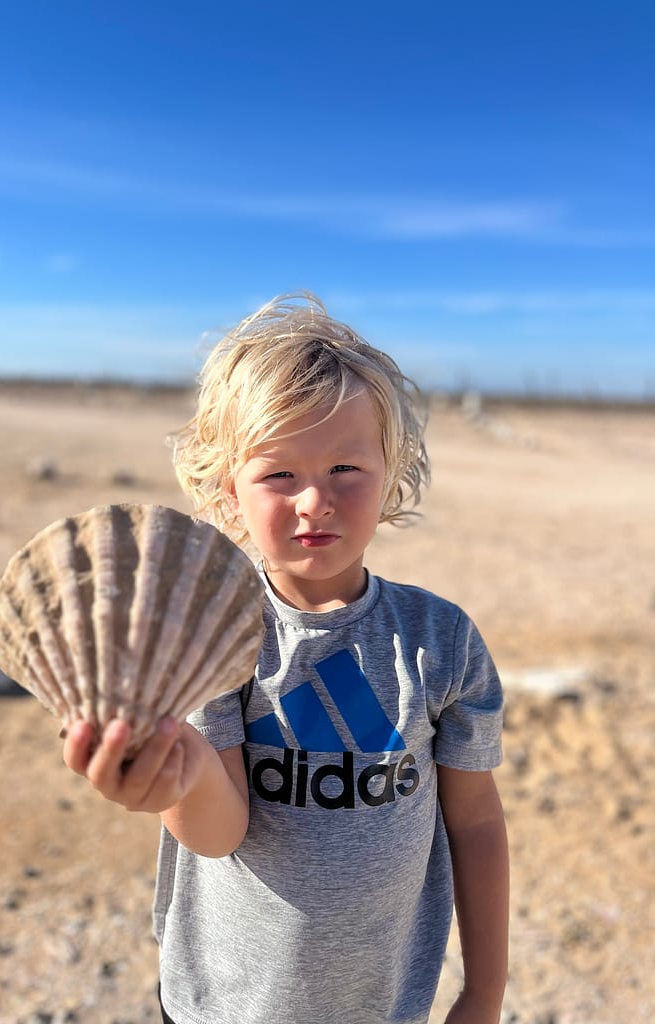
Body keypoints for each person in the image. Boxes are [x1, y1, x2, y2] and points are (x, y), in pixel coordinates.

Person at [64, 293, 509, 1024]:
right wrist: (174, 771)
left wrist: (485, 990)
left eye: (345, 467)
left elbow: (477, 824)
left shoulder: (440, 639)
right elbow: (218, 831)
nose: (314, 501)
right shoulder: (212, 636)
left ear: (392, 472)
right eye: (279, 475)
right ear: (228, 490)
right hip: (229, 1004)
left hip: (384, 1004)